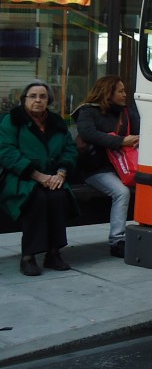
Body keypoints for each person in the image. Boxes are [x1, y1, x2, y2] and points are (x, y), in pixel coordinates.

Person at [0, 80, 78, 276]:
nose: (38, 100)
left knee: (58, 197)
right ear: (24, 99)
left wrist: (61, 172)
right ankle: (28, 256)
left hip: (52, 177)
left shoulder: (57, 122)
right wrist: (36, 175)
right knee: (37, 199)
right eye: (33, 96)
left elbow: (69, 149)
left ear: (48, 100)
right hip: (21, 178)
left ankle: (53, 253)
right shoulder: (12, 121)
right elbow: (6, 151)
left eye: (42, 97)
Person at [73, 75, 139, 258]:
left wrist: (135, 140)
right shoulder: (88, 111)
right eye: (120, 91)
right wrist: (120, 141)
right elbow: (88, 133)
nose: (125, 94)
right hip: (97, 168)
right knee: (121, 192)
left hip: (124, 166)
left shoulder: (126, 112)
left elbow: (140, 130)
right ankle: (117, 240)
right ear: (107, 93)